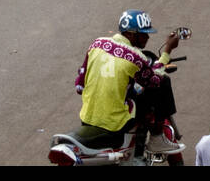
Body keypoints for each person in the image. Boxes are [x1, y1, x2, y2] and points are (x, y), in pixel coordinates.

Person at [74, 9, 181, 162]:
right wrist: (167, 51)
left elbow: (80, 87)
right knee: (163, 81)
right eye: (143, 34)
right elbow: (154, 79)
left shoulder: (96, 44)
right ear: (130, 34)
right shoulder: (135, 57)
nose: (148, 37)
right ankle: (157, 137)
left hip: (87, 117)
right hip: (115, 124)